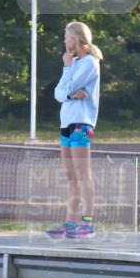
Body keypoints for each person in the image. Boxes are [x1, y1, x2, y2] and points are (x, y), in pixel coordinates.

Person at [46, 22, 102, 239]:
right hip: (66, 123)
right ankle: (70, 223)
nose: (64, 41)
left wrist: (68, 78)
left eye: (67, 36)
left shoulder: (89, 62)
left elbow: (68, 87)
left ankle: (87, 223)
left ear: (76, 39)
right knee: (70, 176)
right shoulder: (72, 62)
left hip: (81, 123)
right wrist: (69, 93)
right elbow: (58, 93)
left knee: (82, 174)